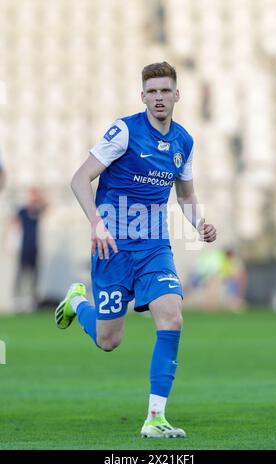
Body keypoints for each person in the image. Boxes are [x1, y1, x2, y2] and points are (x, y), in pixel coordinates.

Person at [55, 62, 217, 438]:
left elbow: (186, 195)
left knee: (172, 316)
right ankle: (78, 302)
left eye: (165, 91)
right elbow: (79, 179)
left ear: (177, 95)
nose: (159, 97)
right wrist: (96, 223)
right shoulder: (124, 132)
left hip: (153, 247)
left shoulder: (184, 142)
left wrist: (201, 223)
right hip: (111, 246)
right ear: (142, 96)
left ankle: (155, 418)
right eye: (152, 92)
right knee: (109, 341)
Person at [13, 187, 47, 311]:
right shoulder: (22, 210)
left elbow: (47, 204)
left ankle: (32, 300)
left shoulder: (37, 210)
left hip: (35, 247)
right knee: (21, 274)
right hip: (24, 247)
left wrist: (38, 199)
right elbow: (14, 225)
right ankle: (18, 300)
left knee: (34, 275)